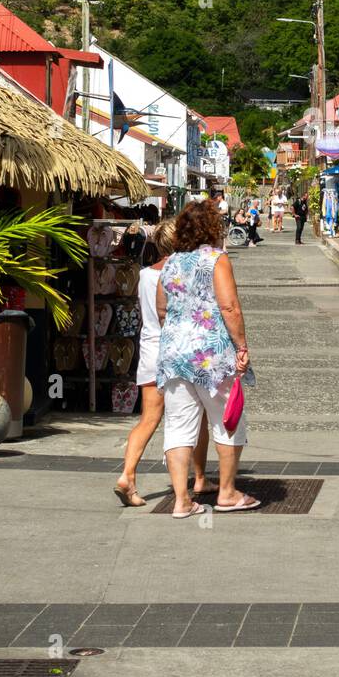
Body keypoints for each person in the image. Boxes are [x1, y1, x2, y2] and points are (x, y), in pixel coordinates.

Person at [156, 200, 259, 516]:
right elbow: (229, 307)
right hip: (212, 355)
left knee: (178, 426)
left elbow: (162, 308)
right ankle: (227, 493)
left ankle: (182, 500)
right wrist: (241, 346)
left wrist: (178, 336)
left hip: (174, 355)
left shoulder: (170, 262)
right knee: (227, 421)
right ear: (213, 228)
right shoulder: (217, 260)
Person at [114, 219, 212, 506]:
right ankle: (200, 477)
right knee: (198, 415)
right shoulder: (181, 273)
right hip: (177, 351)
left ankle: (127, 474)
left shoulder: (145, 274)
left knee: (149, 419)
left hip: (148, 350)